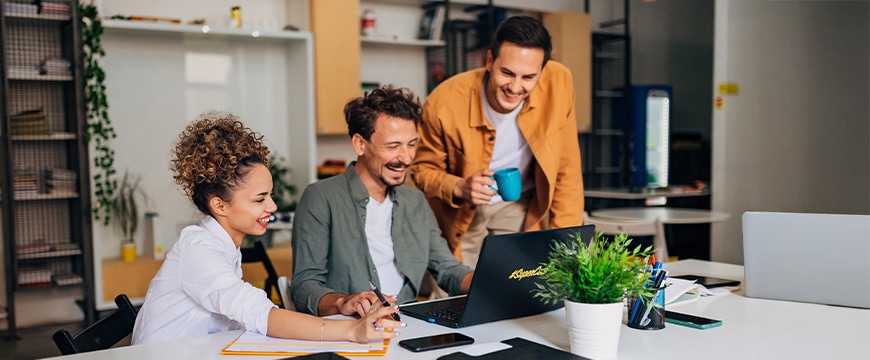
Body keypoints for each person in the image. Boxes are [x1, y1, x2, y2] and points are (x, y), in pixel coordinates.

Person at [132, 112, 403, 345]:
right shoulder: (199, 250)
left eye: (270, 196)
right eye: (260, 199)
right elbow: (259, 314)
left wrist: (342, 304)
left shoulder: (223, 246)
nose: (272, 206)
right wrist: (352, 331)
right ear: (220, 206)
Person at [410, 16, 585, 269]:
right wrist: (459, 186)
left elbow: (566, 170)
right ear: (489, 61)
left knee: (516, 289)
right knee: (455, 296)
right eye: (507, 73)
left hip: (517, 204)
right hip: (460, 212)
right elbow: (421, 170)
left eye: (528, 77)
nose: (514, 87)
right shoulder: (444, 101)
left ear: (542, 72)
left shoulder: (559, 83)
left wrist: (566, 246)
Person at [290, 85, 474, 317]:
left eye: (411, 144)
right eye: (393, 146)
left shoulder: (415, 200)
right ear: (360, 144)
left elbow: (447, 269)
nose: (406, 158)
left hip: (408, 323)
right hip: (350, 329)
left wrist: (485, 281)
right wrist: (344, 302)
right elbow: (304, 286)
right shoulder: (321, 198)